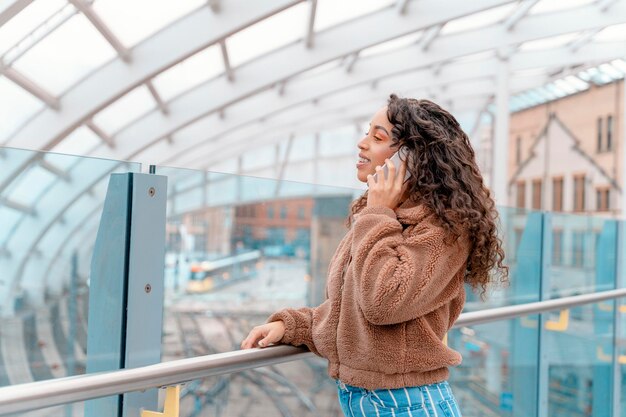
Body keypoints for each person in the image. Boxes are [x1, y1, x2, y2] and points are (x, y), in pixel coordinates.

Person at [241, 94, 508, 417]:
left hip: (408, 403)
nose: (361, 144)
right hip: (369, 400)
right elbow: (350, 314)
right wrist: (292, 327)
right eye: (367, 133)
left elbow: (383, 302)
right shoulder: (379, 217)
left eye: (377, 137)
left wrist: (378, 212)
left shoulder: (443, 229)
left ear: (411, 157)